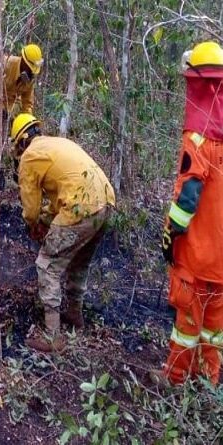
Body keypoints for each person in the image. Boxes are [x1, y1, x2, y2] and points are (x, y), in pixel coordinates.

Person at [150, 41, 223, 388]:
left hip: (197, 255)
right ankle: (209, 384)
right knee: (214, 326)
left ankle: (176, 380)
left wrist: (169, 235)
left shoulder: (197, 139)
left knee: (188, 323)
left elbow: (189, 196)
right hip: (221, 261)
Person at [11, 113, 115, 352]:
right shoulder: (57, 144)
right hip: (105, 204)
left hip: (81, 208)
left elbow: (30, 209)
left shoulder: (30, 156)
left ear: (21, 141)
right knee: (79, 261)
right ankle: (74, 313)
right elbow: (62, 195)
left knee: (47, 264)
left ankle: (52, 336)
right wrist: (47, 219)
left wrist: (34, 224)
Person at [0, 44, 43, 116]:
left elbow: (27, 104)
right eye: (29, 67)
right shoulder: (7, 63)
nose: (30, 71)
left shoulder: (29, 80)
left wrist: (28, 119)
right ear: (23, 61)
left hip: (6, 113)